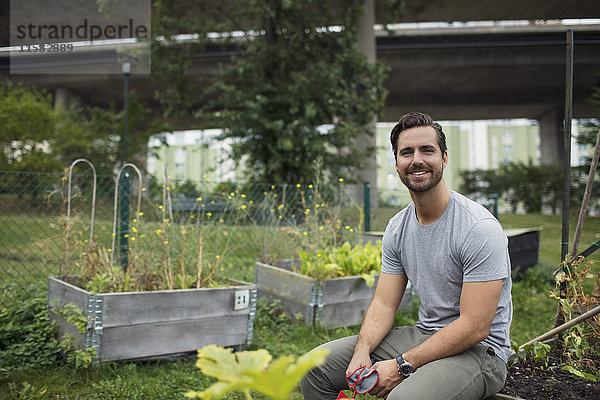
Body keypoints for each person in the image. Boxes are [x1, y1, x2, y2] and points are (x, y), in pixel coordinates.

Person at [300, 112, 513, 400]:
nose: (417, 160)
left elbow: (475, 325)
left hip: (480, 351)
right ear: (397, 163)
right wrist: (362, 352)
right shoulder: (398, 227)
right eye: (406, 152)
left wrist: (402, 365)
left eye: (427, 150)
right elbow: (384, 304)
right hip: (424, 333)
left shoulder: (478, 228)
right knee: (314, 368)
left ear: (445, 158)